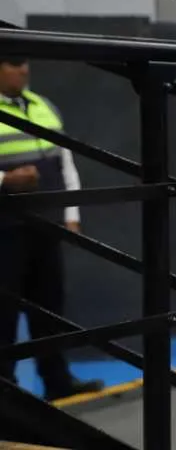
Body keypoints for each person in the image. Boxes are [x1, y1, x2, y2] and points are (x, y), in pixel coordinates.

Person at [0, 57, 103, 401]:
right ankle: (6, 391)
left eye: (25, 63)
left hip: (46, 225)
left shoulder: (43, 106)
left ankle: (57, 383)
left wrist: (71, 212)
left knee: (49, 308)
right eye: (14, 63)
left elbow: (65, 160)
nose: (24, 70)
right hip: (6, 228)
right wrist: (5, 180)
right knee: (4, 312)